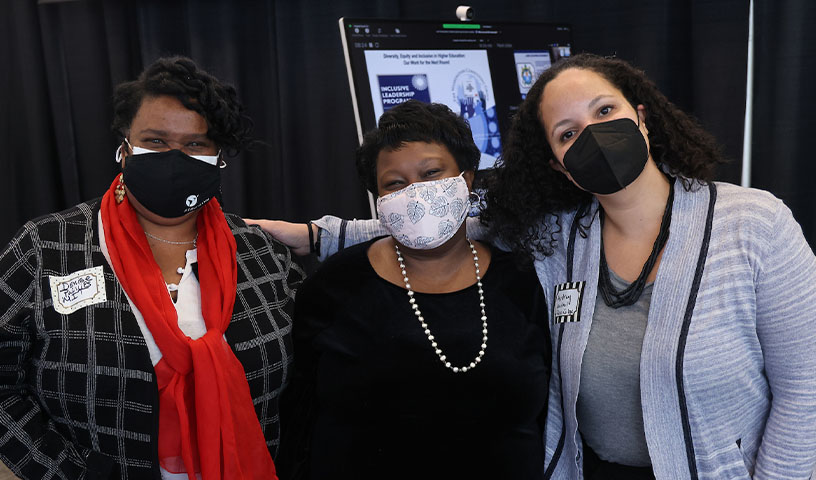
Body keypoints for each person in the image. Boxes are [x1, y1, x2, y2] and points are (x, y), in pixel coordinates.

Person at [252, 54, 816, 479]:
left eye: (605, 112)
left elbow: (806, 394)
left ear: (641, 115)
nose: (593, 135)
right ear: (558, 162)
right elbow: (439, 221)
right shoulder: (558, 234)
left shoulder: (754, 224)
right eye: (569, 132)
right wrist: (321, 236)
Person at [0, 56, 303, 480]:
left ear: (219, 156)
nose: (174, 157)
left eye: (195, 145)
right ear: (125, 147)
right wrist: (68, 473)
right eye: (155, 140)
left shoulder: (259, 252)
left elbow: (306, 380)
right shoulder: (46, 247)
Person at [276, 100, 550, 479]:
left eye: (432, 173)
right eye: (396, 183)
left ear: (467, 180)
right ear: (379, 200)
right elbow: (299, 417)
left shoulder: (521, 281)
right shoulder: (335, 286)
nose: (416, 194)